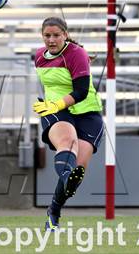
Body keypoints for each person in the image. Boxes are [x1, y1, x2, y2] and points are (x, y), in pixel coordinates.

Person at [33, 16, 104, 231]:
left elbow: (81, 91)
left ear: (65, 35)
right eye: (47, 35)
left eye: (56, 35)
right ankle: (66, 177)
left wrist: (57, 104)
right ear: (42, 36)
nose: (51, 40)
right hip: (56, 110)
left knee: (78, 167)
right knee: (68, 142)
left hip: (87, 112)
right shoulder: (38, 56)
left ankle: (54, 211)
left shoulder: (76, 53)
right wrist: (54, 106)